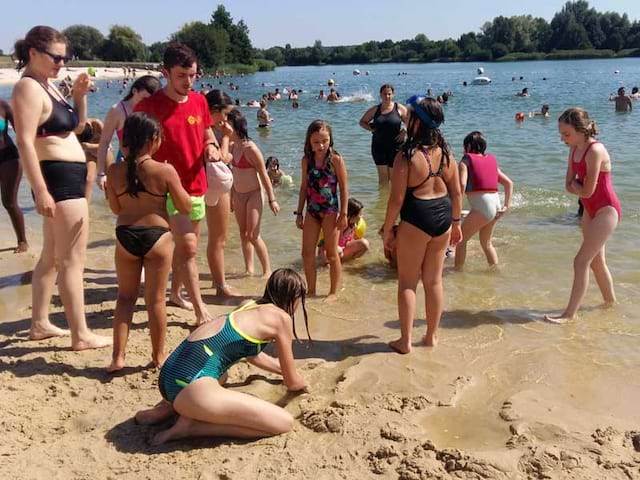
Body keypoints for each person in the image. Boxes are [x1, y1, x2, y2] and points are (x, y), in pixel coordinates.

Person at [11, 26, 110, 349]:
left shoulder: (47, 86)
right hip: (57, 181)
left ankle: (39, 323)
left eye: (65, 58)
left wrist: (79, 98)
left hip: (65, 177)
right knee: (72, 260)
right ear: (34, 53)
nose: (61, 63)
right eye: (56, 57)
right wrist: (39, 190)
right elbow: (24, 141)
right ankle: (81, 334)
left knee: (52, 257)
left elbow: (76, 129)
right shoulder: (27, 88)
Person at [133, 268, 309, 445]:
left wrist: (282, 370)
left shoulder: (248, 305)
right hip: (191, 386)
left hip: (169, 377)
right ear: (294, 298)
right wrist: (304, 382)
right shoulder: (281, 318)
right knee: (284, 423)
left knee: (222, 374)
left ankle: (166, 409)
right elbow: (292, 383)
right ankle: (191, 428)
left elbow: (252, 356)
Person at [135, 43, 216, 325]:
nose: (189, 81)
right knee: (190, 248)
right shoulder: (149, 106)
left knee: (185, 248)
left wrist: (212, 146)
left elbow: (207, 133)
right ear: (165, 73)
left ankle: (176, 294)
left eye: (193, 75)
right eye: (182, 75)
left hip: (196, 184)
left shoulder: (199, 101)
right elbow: (134, 147)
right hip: (164, 189)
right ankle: (199, 310)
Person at [105, 112, 191, 372]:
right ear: (153, 139)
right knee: (155, 301)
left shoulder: (114, 171)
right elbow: (184, 206)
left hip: (125, 235)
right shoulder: (164, 170)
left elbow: (115, 207)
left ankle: (118, 357)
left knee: (125, 298)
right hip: (157, 237)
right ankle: (159, 356)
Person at [382, 96, 462, 353]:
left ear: (418, 122)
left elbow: (396, 200)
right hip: (443, 217)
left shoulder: (406, 157)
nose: (405, 117)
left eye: (409, 115)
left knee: (407, 282)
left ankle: (405, 342)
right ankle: (431, 337)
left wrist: (387, 230)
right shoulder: (445, 152)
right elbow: (457, 193)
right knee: (434, 281)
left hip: (417, 217)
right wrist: (457, 223)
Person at [544, 108, 621, 324]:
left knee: (580, 261)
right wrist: (578, 186)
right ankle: (611, 304)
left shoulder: (596, 150)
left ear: (582, 130)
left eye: (566, 134)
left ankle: (569, 315)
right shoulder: (574, 150)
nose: (563, 139)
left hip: (607, 209)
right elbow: (569, 186)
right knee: (596, 262)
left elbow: (585, 190)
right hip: (589, 209)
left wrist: (577, 186)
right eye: (561, 134)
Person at [295, 120, 349, 299]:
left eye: (324, 141)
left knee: (332, 254)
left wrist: (344, 214)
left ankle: (333, 293)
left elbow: (344, 188)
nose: (321, 145)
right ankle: (311, 290)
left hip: (330, 211)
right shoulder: (307, 161)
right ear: (309, 142)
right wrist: (299, 213)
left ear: (330, 140)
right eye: (316, 142)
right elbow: (303, 187)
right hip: (312, 210)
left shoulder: (335, 160)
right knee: (307, 253)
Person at [228, 108, 279, 277]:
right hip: (238, 194)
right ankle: (249, 269)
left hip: (254, 194)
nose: (223, 128)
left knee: (253, 234)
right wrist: (230, 198)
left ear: (236, 127)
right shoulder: (231, 147)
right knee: (243, 234)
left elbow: (264, 175)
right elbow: (232, 175)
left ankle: (267, 270)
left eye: (226, 124)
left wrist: (272, 200)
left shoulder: (251, 149)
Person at [454, 131, 513, 270]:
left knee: (460, 240)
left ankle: (457, 271)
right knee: (486, 243)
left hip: (483, 207)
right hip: (496, 204)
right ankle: (494, 270)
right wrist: (506, 206)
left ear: (468, 146)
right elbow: (509, 183)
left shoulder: (465, 161)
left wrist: (456, 207)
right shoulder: (491, 160)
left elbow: (462, 185)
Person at [96, 75, 161, 190]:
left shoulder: (154, 109)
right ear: (134, 91)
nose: (148, 103)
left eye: (152, 100)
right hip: (126, 162)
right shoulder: (117, 110)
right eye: (144, 98)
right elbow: (104, 142)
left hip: (152, 163)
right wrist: (101, 173)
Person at [204, 90, 236, 297]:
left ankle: (218, 283)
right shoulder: (208, 129)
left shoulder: (202, 126)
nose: (225, 119)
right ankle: (220, 286)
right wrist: (226, 138)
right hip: (213, 186)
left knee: (214, 238)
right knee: (218, 239)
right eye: (224, 114)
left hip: (208, 184)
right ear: (214, 110)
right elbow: (220, 157)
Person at [359, 84, 409, 185]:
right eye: (384, 94)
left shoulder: (399, 108)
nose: (387, 96)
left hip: (396, 147)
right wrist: (372, 130)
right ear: (380, 95)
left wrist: (405, 131)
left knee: (394, 178)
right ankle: (382, 200)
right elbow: (362, 122)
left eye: (389, 94)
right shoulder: (375, 110)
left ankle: (392, 200)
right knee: (383, 180)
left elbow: (411, 122)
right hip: (378, 147)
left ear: (393, 95)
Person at [0, 98, 28, 252]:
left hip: (8, 157)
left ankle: (22, 241)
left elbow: (23, 133)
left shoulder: (3, 105)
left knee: (9, 202)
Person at [318, 198, 369, 264]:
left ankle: (345, 264)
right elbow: (324, 244)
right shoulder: (338, 224)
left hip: (342, 250)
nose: (361, 216)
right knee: (338, 250)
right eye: (359, 214)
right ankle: (330, 264)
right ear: (351, 215)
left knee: (364, 244)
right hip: (329, 251)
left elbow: (354, 240)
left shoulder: (353, 225)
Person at [76, 118, 114, 202]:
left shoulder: (97, 124)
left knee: (109, 181)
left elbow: (108, 145)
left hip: (104, 152)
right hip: (90, 152)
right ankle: (86, 205)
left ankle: (110, 203)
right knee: (89, 178)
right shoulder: (77, 128)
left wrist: (90, 146)